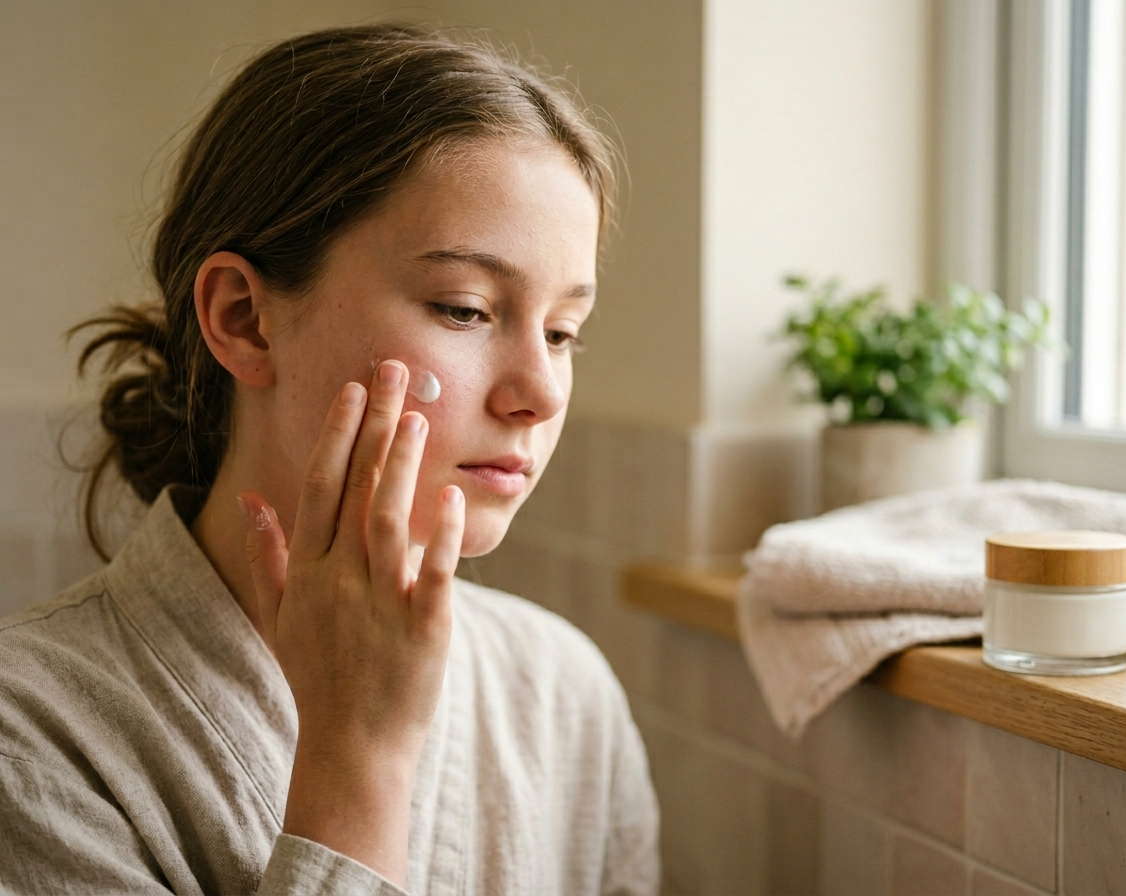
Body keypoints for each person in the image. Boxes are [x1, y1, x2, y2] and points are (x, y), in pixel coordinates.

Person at [0, 23, 659, 895]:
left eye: (564, 330)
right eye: (464, 308)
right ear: (243, 317)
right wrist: (360, 761)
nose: (539, 391)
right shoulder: (31, 733)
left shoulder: (563, 691)